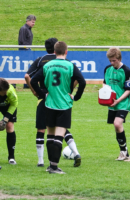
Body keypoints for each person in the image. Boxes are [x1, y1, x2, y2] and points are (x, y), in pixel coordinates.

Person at [25, 38, 82, 167]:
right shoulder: (68, 63)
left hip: (46, 99)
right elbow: (79, 79)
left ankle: (42, 161)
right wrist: (71, 92)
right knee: (62, 129)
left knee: (43, 129)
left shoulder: (41, 61)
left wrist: (36, 92)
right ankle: (74, 153)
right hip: (62, 99)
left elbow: (28, 77)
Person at [103, 48, 130, 161]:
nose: (111, 63)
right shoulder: (107, 69)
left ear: (119, 58)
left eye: (114, 60)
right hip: (112, 103)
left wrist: (117, 100)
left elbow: (128, 90)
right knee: (117, 127)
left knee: (117, 123)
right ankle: (124, 153)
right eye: (110, 60)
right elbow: (104, 83)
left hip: (124, 102)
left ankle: (124, 153)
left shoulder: (126, 71)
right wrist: (104, 94)